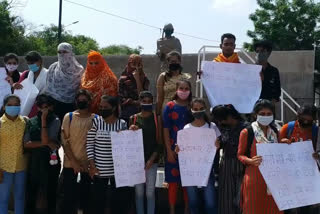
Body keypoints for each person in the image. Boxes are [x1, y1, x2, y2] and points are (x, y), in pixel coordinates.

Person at [86, 95, 130, 214]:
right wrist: (92, 164)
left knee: (118, 203)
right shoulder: (96, 122)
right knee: (98, 202)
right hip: (99, 171)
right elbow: (90, 144)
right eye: (100, 107)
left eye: (105, 107)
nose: (102, 109)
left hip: (117, 172)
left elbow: (128, 146)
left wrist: (130, 133)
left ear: (113, 108)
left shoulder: (122, 124)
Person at [176, 98, 220, 214]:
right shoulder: (186, 128)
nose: (198, 111)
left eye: (201, 109)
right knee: (193, 202)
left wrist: (217, 145)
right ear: (191, 110)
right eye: (195, 109)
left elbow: (217, 147)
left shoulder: (212, 127)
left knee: (211, 203)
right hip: (190, 171)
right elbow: (183, 149)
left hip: (207, 170)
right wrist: (178, 149)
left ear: (205, 109)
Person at [238, 99, 282, 214]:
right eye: (262, 114)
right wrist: (251, 161)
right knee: (253, 208)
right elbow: (240, 155)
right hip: (254, 179)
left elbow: (280, 152)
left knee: (272, 209)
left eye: (269, 114)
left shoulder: (276, 132)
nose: (265, 116)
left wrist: (286, 143)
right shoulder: (247, 132)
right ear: (255, 115)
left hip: (273, 179)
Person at [24, 94, 61, 214]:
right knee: (32, 192)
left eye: (48, 107)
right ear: (38, 108)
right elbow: (27, 144)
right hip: (35, 161)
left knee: (50, 192)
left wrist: (44, 120)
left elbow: (47, 139)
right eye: (43, 107)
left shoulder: (55, 120)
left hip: (50, 160)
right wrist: (44, 143)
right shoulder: (31, 121)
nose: (46, 110)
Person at [61, 89, 96, 214]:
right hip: (70, 165)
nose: (81, 102)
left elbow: (95, 144)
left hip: (87, 166)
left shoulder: (95, 119)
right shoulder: (68, 117)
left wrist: (89, 163)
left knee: (86, 199)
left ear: (89, 101)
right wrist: (74, 162)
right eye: (79, 100)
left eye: (84, 100)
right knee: (68, 199)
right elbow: (65, 142)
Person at [279, 105, 318, 214]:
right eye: (303, 118)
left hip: (307, 175)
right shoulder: (287, 128)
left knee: (306, 206)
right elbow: (275, 147)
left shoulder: (316, 131)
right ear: (298, 116)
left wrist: (317, 155)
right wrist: (283, 142)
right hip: (288, 174)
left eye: (309, 120)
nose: (305, 121)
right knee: (288, 205)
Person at [129, 91, 163, 214]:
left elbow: (160, 143)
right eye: (144, 101)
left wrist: (151, 159)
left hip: (152, 161)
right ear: (139, 101)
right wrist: (130, 131)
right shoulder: (133, 119)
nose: (147, 104)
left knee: (150, 192)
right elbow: (128, 141)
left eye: (149, 102)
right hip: (137, 162)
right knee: (139, 193)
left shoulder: (156, 119)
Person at [162, 80, 193, 214]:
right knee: (173, 182)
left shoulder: (193, 106)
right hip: (173, 150)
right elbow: (165, 129)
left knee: (187, 182)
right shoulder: (169, 106)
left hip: (190, 151)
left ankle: (187, 209)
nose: (184, 91)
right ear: (176, 89)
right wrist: (168, 151)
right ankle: (172, 210)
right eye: (181, 88)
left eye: (186, 88)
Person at [211, 104, 247, 214]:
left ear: (229, 116)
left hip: (243, 163)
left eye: (222, 119)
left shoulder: (247, 127)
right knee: (226, 197)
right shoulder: (222, 127)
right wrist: (218, 143)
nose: (220, 122)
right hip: (226, 163)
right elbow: (221, 144)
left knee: (241, 196)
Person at [0, 95, 28, 214]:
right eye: (10, 105)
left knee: (20, 197)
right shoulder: (0, 123)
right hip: (3, 167)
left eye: (16, 105)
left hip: (21, 166)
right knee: (3, 198)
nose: (13, 107)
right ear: (4, 106)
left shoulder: (25, 122)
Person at [45, 42, 84, 121]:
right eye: (59, 52)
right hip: (53, 105)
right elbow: (48, 87)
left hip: (71, 106)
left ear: (71, 53)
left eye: (65, 52)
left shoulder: (79, 70)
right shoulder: (53, 67)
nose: (62, 54)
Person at [15, 51, 48, 118]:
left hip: (41, 111)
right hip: (25, 108)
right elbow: (19, 89)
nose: (30, 65)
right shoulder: (26, 74)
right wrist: (15, 85)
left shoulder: (48, 75)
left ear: (40, 61)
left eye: (32, 63)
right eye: (28, 64)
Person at [118, 54, 149, 122]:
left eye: (139, 64)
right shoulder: (123, 79)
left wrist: (137, 79)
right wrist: (134, 102)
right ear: (129, 63)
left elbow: (143, 97)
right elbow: (121, 99)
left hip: (141, 113)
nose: (136, 67)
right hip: (127, 113)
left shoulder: (144, 79)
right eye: (134, 64)